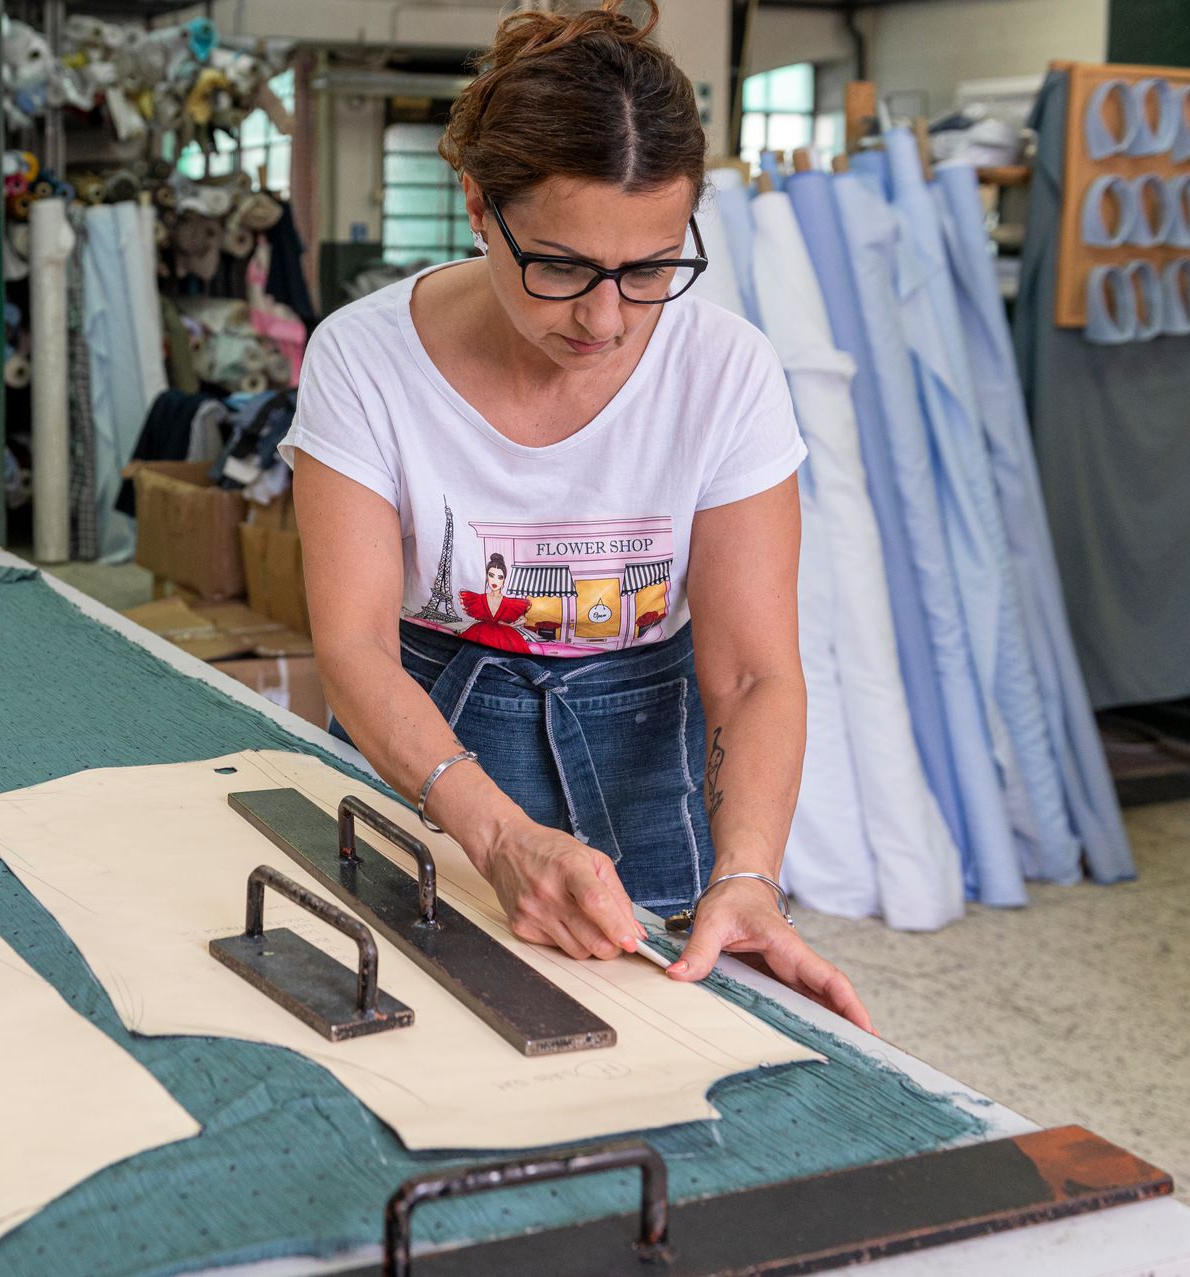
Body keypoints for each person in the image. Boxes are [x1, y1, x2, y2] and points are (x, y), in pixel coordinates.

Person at [282, 0, 872, 1031]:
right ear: (478, 204)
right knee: (410, 1020)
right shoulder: (365, 359)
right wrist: (496, 836)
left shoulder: (723, 370)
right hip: (429, 737)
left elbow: (752, 672)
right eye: (559, 265)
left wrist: (749, 876)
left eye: (649, 269)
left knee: (662, 1032)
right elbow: (356, 646)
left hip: (647, 749)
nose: (604, 318)